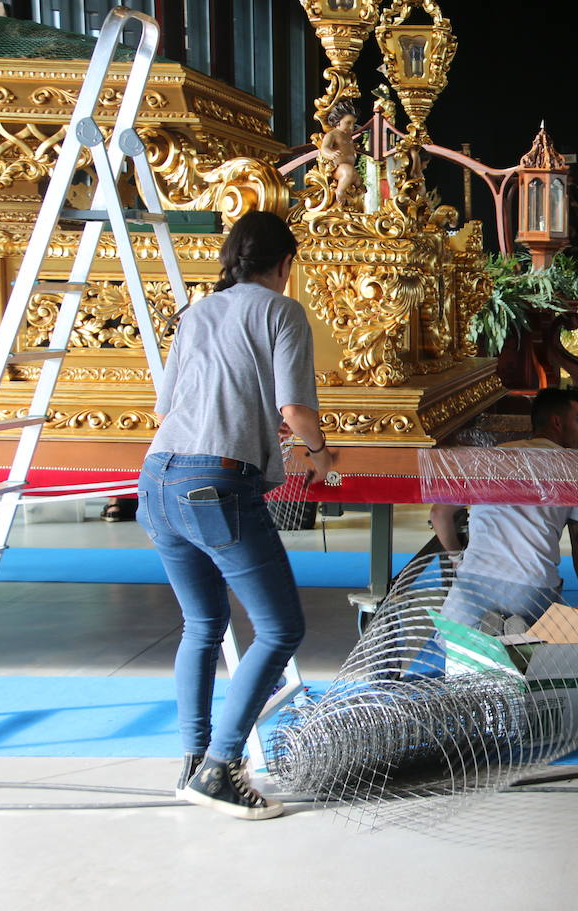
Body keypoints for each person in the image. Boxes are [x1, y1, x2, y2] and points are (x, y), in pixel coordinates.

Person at [139, 211, 334, 820]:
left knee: (202, 625)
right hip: (216, 486)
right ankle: (222, 770)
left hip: (156, 480)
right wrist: (321, 455)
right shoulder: (282, 311)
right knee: (280, 629)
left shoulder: (195, 313)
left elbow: (168, 404)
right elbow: (296, 407)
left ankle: (193, 760)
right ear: (284, 265)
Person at [430, 387, 578, 626]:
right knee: (527, 656)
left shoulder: (494, 457)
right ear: (557, 422)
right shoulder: (577, 469)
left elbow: (439, 513)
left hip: (475, 580)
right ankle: (517, 635)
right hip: (532, 587)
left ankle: (492, 636)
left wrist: (456, 557)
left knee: (458, 652)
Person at [320, 100, 363, 208]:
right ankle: (340, 191)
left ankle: (357, 200)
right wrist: (330, 154)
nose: (351, 127)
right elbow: (324, 148)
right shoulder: (332, 135)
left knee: (358, 180)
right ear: (338, 121)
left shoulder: (348, 137)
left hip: (349, 167)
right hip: (338, 169)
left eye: (353, 124)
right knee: (348, 172)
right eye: (348, 123)